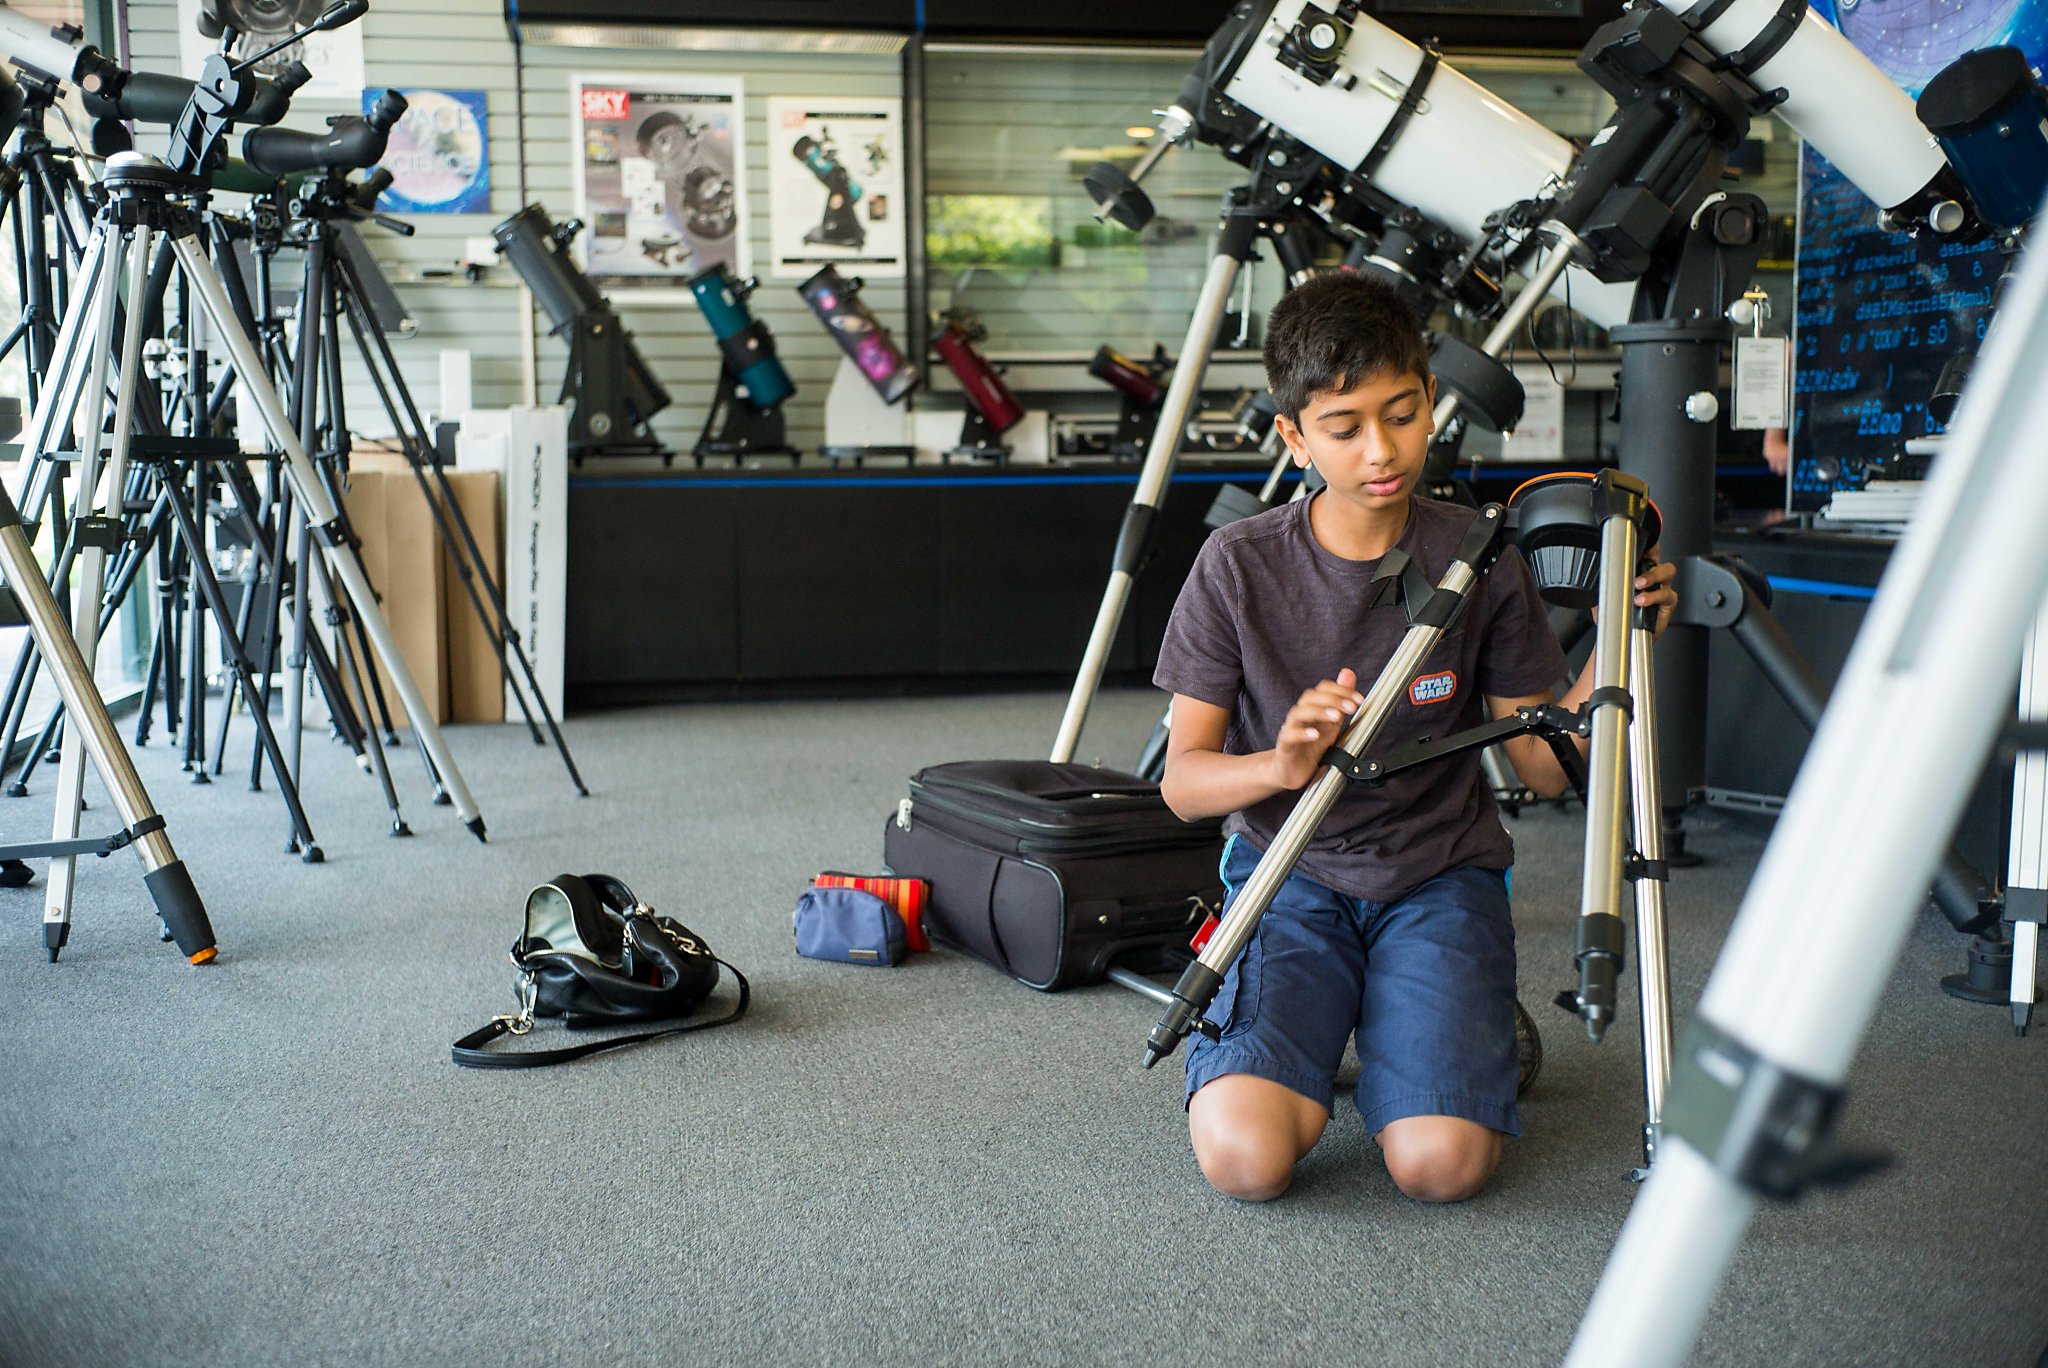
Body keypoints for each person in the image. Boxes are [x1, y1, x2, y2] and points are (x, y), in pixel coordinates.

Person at [1152, 273, 1677, 1204]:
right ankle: (1356, 1018)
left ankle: (1416, 1012)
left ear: (1432, 399)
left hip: (1437, 876)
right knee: (1247, 1163)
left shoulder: (1480, 553)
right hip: (1290, 873)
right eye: (1345, 427)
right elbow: (1182, 783)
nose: (1383, 451)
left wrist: (1620, 640)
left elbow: (1545, 771)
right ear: (1294, 435)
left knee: (1441, 1169)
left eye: (1402, 414)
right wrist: (1280, 762)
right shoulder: (1236, 566)